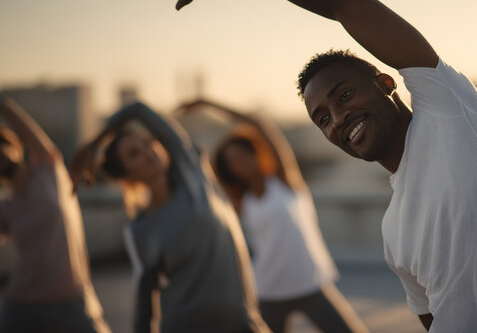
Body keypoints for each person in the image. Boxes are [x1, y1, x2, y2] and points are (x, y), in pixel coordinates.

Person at [125, 0, 477, 332]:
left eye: (344, 96)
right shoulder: (393, 230)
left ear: (386, 83)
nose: (338, 119)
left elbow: (340, 0)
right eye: (323, 118)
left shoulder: (449, 112)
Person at [71, 101, 269, 333]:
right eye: (134, 154)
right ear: (127, 175)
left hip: (242, 322)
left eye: (147, 143)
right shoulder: (139, 229)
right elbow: (144, 302)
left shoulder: (190, 172)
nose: (148, 152)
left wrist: (94, 143)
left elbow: (138, 109)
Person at [177, 99, 368, 333]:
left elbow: (259, 123)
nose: (240, 163)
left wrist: (208, 104)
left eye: (242, 155)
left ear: (254, 153)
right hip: (269, 290)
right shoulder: (240, 200)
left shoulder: (285, 180)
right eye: (233, 162)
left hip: (310, 283)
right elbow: (203, 176)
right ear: (230, 170)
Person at [0, 98, 110, 333]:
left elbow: (24, 126)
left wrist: (4, 105)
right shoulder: (5, 208)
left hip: (72, 298)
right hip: (23, 303)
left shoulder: (49, 170)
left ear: (16, 147)